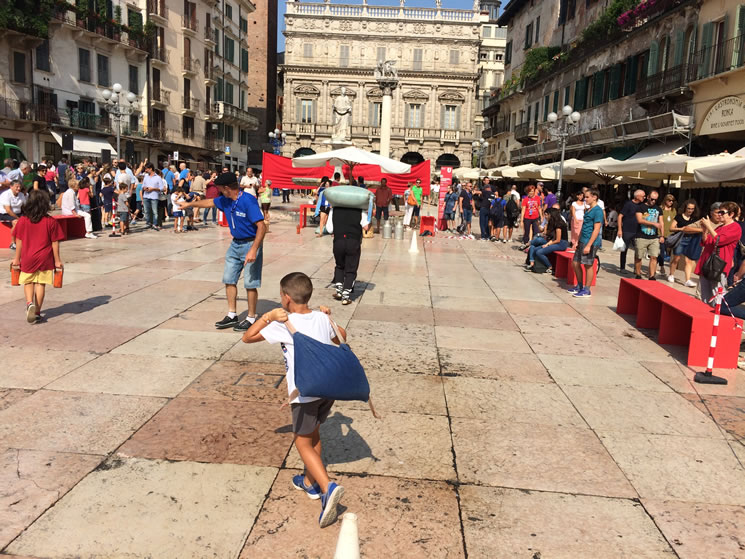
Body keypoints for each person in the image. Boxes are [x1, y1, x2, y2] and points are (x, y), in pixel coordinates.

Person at [240, 272, 346, 528]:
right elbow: (341, 335)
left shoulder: (283, 322)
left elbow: (248, 336)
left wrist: (267, 316)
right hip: (327, 388)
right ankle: (309, 483)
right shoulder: (321, 316)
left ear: (286, 298)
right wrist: (329, 317)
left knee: (302, 443)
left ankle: (327, 486)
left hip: (304, 392)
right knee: (314, 434)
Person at [178, 172, 266, 330]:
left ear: (226, 188)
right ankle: (232, 315)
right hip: (235, 244)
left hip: (250, 243)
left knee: (250, 283)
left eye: (218, 188)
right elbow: (210, 202)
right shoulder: (225, 200)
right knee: (229, 279)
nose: (217, 191)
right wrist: (189, 205)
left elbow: (261, 226)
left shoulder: (248, 201)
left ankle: (251, 317)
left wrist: (253, 250)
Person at [11, 190, 64, 323]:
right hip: (45, 258)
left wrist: (17, 259)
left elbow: (19, 241)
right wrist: (57, 260)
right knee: (41, 284)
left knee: (28, 282)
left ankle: (29, 303)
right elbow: (55, 242)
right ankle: (38, 312)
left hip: (28, 257)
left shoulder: (23, 220)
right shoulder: (50, 221)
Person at [696, 201, 740, 304]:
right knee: (705, 298)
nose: (719, 214)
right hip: (707, 263)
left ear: (731, 214)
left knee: (717, 297)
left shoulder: (735, 228)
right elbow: (706, 242)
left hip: (718, 266)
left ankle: (716, 318)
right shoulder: (720, 227)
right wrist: (705, 230)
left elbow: (719, 240)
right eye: (718, 212)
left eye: (722, 212)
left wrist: (710, 227)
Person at [331, 198, 370, 304]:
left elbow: (330, 229)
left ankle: (339, 290)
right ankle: (345, 296)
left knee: (339, 265)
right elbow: (366, 227)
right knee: (351, 268)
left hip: (338, 241)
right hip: (353, 242)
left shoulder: (334, 210)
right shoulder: (360, 211)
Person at [568, 187, 603, 298]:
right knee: (575, 263)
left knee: (588, 265)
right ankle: (579, 285)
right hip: (583, 240)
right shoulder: (588, 209)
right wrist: (578, 241)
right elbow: (584, 226)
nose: (585, 199)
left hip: (590, 242)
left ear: (594, 197)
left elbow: (596, 229)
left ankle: (587, 289)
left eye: (587, 197)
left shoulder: (598, 211)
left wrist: (589, 245)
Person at [668, 199, 702, 287]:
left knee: (688, 261)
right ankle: (671, 274)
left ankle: (687, 280)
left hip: (691, 240)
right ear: (685, 208)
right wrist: (681, 229)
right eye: (689, 208)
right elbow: (671, 228)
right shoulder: (679, 217)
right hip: (681, 239)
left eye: (692, 209)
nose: (690, 210)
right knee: (676, 258)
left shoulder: (695, 219)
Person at [526, 208, 568, 272]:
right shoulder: (553, 223)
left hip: (562, 244)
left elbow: (558, 240)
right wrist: (547, 244)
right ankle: (532, 264)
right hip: (554, 241)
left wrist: (547, 244)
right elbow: (553, 237)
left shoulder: (559, 225)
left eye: (547, 215)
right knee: (535, 249)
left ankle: (550, 267)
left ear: (552, 215)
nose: (545, 217)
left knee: (539, 252)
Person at [634, 190, 664, 280]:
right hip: (641, 235)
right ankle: (638, 274)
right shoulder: (640, 207)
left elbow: (661, 222)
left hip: (654, 237)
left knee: (654, 256)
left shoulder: (659, 209)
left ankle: (651, 276)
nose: (653, 201)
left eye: (655, 200)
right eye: (652, 199)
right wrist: (654, 224)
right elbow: (640, 220)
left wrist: (662, 235)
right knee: (639, 256)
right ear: (648, 197)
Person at [617, 189, 645, 273]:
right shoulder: (628, 204)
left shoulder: (642, 205)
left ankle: (636, 268)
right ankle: (622, 267)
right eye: (643, 196)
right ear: (637, 196)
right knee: (624, 249)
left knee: (638, 250)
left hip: (638, 231)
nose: (644, 197)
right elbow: (620, 216)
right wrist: (619, 229)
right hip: (627, 230)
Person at [0, 180, 27, 249]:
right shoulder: (6, 194)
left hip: (18, 213)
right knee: (16, 222)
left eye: (19, 187)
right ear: (11, 187)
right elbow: (8, 210)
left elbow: (24, 207)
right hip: (5, 214)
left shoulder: (21, 194)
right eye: (16, 187)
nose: (18, 188)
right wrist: (18, 218)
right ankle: (13, 243)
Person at [141, 163, 165, 230]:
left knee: (155, 212)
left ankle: (155, 224)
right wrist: (145, 188)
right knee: (147, 211)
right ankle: (148, 223)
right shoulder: (146, 177)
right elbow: (142, 186)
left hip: (154, 196)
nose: (145, 170)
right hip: (146, 196)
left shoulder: (158, 178)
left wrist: (153, 189)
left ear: (151, 169)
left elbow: (162, 188)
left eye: (147, 169)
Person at [658, 193, 677, 277]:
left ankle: (660, 264)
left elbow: (675, 222)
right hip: (661, 233)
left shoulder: (674, 210)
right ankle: (661, 266)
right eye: (669, 200)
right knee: (661, 251)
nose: (671, 202)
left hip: (671, 234)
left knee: (667, 252)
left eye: (672, 201)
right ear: (665, 200)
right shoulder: (660, 209)